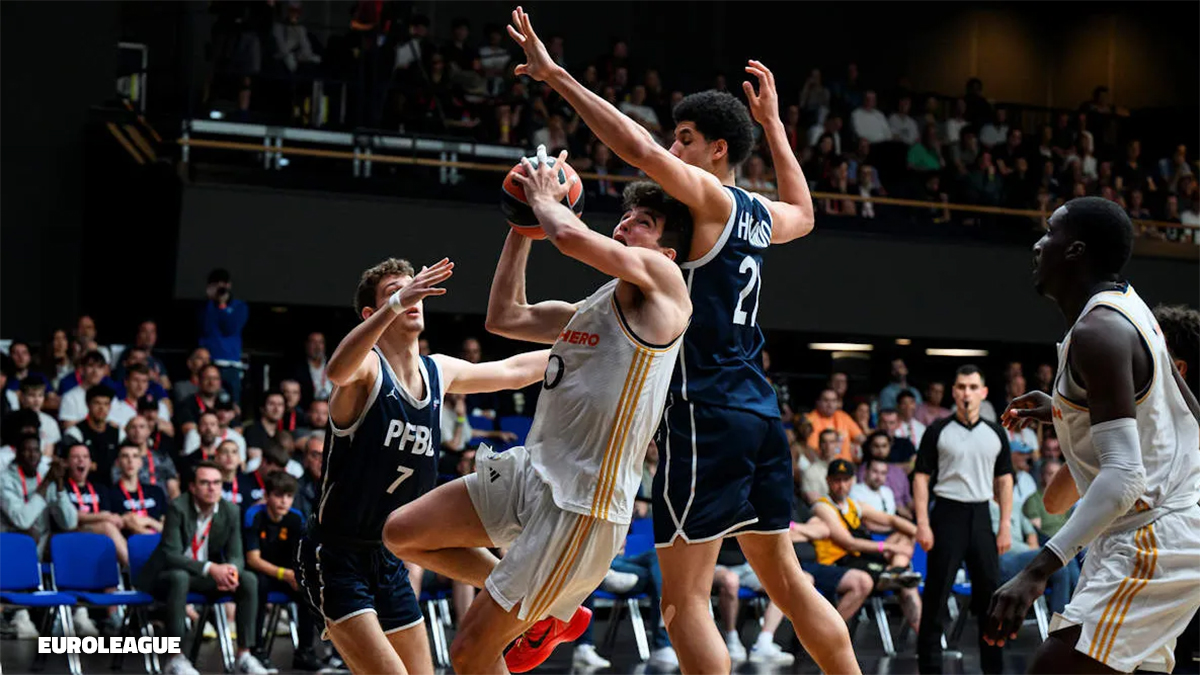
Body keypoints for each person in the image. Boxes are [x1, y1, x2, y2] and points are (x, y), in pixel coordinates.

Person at [503, 13, 857, 674]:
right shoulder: (757, 214)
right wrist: (775, 126)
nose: (675, 148)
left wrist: (556, 78)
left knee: (683, 601)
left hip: (708, 412)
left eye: (686, 139)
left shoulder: (714, 197)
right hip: (760, 414)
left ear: (717, 150)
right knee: (788, 583)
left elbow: (635, 148)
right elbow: (805, 213)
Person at [385, 160, 692, 672]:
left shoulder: (666, 289)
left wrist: (544, 198)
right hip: (534, 471)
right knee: (401, 532)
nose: (624, 223)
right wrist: (521, 224)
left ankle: (542, 607)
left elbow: (570, 236)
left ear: (666, 251)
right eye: (626, 214)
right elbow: (503, 315)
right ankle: (548, 612)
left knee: (469, 653)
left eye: (642, 221)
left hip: (583, 504)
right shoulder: (588, 310)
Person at [292, 256, 550, 675]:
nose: (412, 297)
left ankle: (537, 606)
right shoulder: (366, 372)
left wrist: (587, 346)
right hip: (335, 554)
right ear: (371, 314)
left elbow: (513, 370)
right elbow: (336, 370)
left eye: (413, 289)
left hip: (390, 555)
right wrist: (397, 303)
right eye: (394, 291)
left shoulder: (438, 370)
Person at [987, 198, 1200, 673]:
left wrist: (1036, 572)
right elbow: (1189, 410)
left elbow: (1124, 477)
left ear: (1076, 251)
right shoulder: (1129, 304)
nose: (1038, 245)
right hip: (1157, 533)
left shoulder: (1099, 331)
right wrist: (1066, 408)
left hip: (1152, 537)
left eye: (1050, 233)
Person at [914, 364, 1014, 674]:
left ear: (983, 392)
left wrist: (1005, 525)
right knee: (936, 596)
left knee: (990, 599)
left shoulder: (996, 432)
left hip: (982, 514)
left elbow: (1005, 479)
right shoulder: (938, 430)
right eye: (961, 387)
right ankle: (930, 668)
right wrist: (922, 522)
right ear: (953, 391)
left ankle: (993, 669)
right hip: (947, 512)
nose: (966, 393)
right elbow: (920, 477)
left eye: (972, 387)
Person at [135, 460, 268, 675]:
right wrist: (211, 569)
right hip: (166, 576)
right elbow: (171, 555)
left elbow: (236, 553)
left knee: (249, 579)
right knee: (180, 577)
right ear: (193, 487)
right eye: (205, 483)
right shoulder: (178, 507)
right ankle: (175, 658)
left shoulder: (231, 510)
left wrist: (231, 571)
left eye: (216, 483)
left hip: (201, 576)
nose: (212, 488)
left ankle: (244, 654)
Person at [813, 459, 923, 632]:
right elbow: (849, 543)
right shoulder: (822, 507)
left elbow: (891, 519)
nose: (841, 485)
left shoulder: (854, 505)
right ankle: (826, 635)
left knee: (904, 538)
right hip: (841, 561)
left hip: (861, 558)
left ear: (853, 481)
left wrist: (921, 533)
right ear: (828, 481)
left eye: (845, 480)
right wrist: (890, 548)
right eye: (836, 480)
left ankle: (895, 573)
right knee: (905, 580)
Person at [244, 471, 320, 671]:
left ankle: (305, 651)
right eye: (278, 495)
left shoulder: (296, 518)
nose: (283, 501)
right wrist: (284, 574)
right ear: (267, 495)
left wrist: (297, 576)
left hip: (286, 574)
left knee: (308, 590)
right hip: (263, 572)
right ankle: (256, 650)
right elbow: (252, 560)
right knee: (257, 586)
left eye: (288, 496)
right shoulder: (254, 515)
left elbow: (302, 554)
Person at [1, 433, 77, 555]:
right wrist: (46, 482)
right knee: (30, 534)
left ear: (41, 454)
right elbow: (22, 520)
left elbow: (70, 522)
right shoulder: (5, 480)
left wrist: (59, 485)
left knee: (73, 536)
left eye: (36, 450)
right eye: (27, 450)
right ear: (17, 455)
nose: (32, 455)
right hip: (10, 543)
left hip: (44, 543)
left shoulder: (44, 474)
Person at [63, 441, 129, 564]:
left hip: (95, 534)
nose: (81, 460)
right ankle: (136, 570)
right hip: (70, 534)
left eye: (85, 457)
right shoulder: (61, 488)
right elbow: (71, 517)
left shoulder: (100, 489)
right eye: (75, 457)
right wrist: (104, 516)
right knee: (107, 526)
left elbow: (106, 514)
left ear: (90, 463)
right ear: (66, 462)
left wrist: (104, 516)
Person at [200, 269, 249, 405]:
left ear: (229, 286)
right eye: (216, 285)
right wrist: (210, 302)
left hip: (230, 365)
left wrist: (222, 305)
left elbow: (230, 328)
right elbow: (205, 328)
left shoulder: (239, 306)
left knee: (231, 404)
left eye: (223, 285)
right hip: (208, 363)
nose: (220, 288)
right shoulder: (204, 307)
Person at [64, 385, 124, 483]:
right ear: (88, 405)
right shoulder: (75, 432)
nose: (102, 408)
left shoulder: (118, 433)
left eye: (106, 404)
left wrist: (96, 466)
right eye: (97, 403)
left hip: (113, 487)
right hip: (84, 487)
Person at [855, 431, 914, 520]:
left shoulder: (899, 472)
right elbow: (868, 497)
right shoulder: (864, 471)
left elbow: (908, 499)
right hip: (878, 516)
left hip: (905, 517)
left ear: (889, 447)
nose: (880, 450)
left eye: (884, 446)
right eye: (876, 446)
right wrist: (898, 509)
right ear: (870, 447)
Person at [112, 442, 168, 535]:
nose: (130, 461)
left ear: (140, 462)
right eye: (125, 456)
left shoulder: (156, 491)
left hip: (159, 542)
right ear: (118, 463)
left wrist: (149, 521)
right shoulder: (111, 494)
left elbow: (167, 524)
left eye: (135, 456)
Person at [118, 415, 180, 499]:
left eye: (142, 427)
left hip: (162, 505)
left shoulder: (162, 457)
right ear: (127, 431)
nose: (137, 431)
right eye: (133, 427)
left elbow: (173, 488)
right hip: (133, 504)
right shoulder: (121, 459)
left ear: (149, 431)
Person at [805, 388, 864, 462]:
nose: (830, 405)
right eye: (826, 400)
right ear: (818, 402)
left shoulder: (843, 416)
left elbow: (861, 439)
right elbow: (811, 449)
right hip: (824, 466)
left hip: (847, 466)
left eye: (833, 401)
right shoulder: (810, 420)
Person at [16, 377, 60, 455]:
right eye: (32, 395)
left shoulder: (50, 422)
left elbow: (48, 455)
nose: (37, 400)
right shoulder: (11, 420)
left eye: (40, 395)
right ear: (22, 397)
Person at [801, 429, 841, 504]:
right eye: (824, 442)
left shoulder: (845, 467)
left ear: (837, 444)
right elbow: (814, 501)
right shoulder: (810, 471)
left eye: (832, 442)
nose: (828, 446)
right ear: (819, 444)